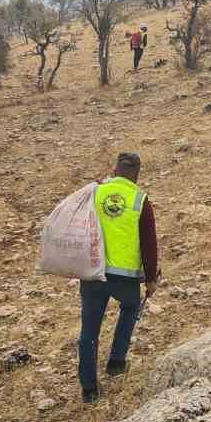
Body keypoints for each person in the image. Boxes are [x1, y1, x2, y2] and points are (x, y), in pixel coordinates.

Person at [78, 152, 160, 403]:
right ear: (137, 174)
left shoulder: (96, 191)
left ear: (114, 170)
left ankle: (89, 389)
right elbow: (149, 243)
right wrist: (151, 278)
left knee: (89, 330)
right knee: (131, 308)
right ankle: (116, 361)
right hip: (125, 278)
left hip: (93, 272)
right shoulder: (140, 200)